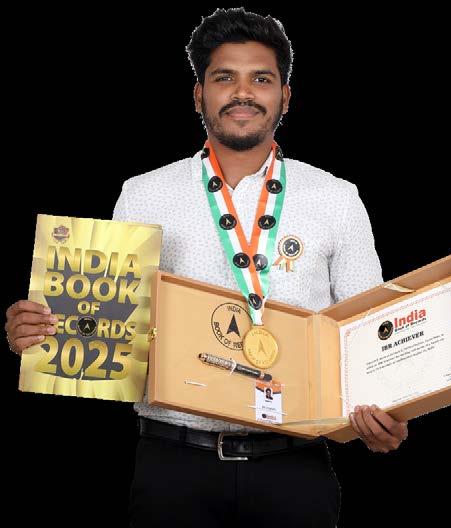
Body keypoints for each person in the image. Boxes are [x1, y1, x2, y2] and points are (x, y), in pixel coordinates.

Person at [5, 7, 409, 527]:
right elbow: (109, 328)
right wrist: (46, 332)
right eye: (224, 78)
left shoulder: (337, 198)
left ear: (285, 96)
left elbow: (366, 336)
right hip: (173, 467)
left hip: (296, 468)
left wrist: (387, 415)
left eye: (261, 79)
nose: (243, 93)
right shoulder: (143, 194)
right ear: (199, 94)